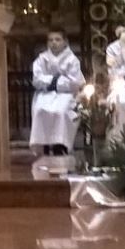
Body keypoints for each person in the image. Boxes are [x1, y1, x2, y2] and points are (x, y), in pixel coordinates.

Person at [29, 27, 84, 156]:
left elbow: (74, 82)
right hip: (45, 94)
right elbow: (37, 79)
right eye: (51, 40)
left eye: (57, 39)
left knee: (61, 111)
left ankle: (61, 144)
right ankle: (45, 145)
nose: (54, 43)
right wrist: (57, 80)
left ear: (65, 42)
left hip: (66, 95)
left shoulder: (72, 60)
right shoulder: (41, 59)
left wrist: (52, 82)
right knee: (40, 110)